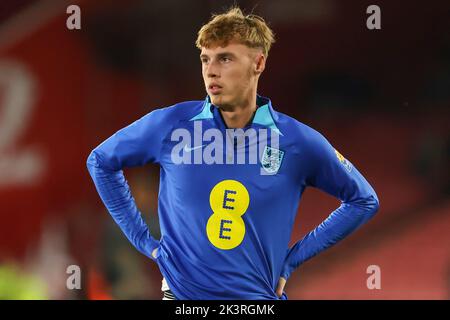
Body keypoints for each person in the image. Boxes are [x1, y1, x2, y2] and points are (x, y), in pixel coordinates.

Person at [87, 7, 379, 300]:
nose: (211, 70)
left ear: (258, 63)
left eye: (225, 58)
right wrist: (143, 241)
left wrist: (291, 260)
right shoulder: (170, 124)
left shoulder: (297, 141)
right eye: (205, 59)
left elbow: (363, 200)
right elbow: (100, 161)